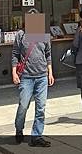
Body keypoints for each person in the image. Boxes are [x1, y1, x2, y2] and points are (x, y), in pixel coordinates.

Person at [11, 12, 55, 147]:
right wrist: (14, 72)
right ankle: (19, 129)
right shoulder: (21, 35)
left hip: (41, 75)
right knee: (23, 105)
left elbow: (48, 54)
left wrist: (50, 73)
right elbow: (15, 54)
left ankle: (37, 135)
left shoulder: (44, 35)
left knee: (41, 107)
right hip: (26, 76)